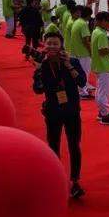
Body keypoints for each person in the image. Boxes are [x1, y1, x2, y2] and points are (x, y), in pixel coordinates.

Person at [32, 32, 87, 199]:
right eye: (49, 43)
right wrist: (39, 70)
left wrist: (69, 66)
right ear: (44, 44)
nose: (52, 47)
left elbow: (82, 82)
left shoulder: (73, 62)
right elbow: (37, 89)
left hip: (71, 110)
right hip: (52, 111)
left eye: (55, 44)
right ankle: (55, 179)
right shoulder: (43, 65)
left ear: (61, 45)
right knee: (53, 145)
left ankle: (75, 180)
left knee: (74, 145)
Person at [91, 11, 109, 125]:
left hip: (98, 65)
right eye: (108, 21)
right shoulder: (102, 34)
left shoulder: (96, 32)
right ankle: (104, 115)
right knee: (104, 92)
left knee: (100, 90)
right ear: (102, 21)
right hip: (103, 65)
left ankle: (102, 112)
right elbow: (102, 51)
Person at [69, 5, 94, 98]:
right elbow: (85, 40)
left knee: (79, 73)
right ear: (88, 15)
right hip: (82, 53)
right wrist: (91, 52)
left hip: (75, 52)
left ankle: (81, 90)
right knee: (84, 73)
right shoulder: (83, 24)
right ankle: (83, 92)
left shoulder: (77, 22)